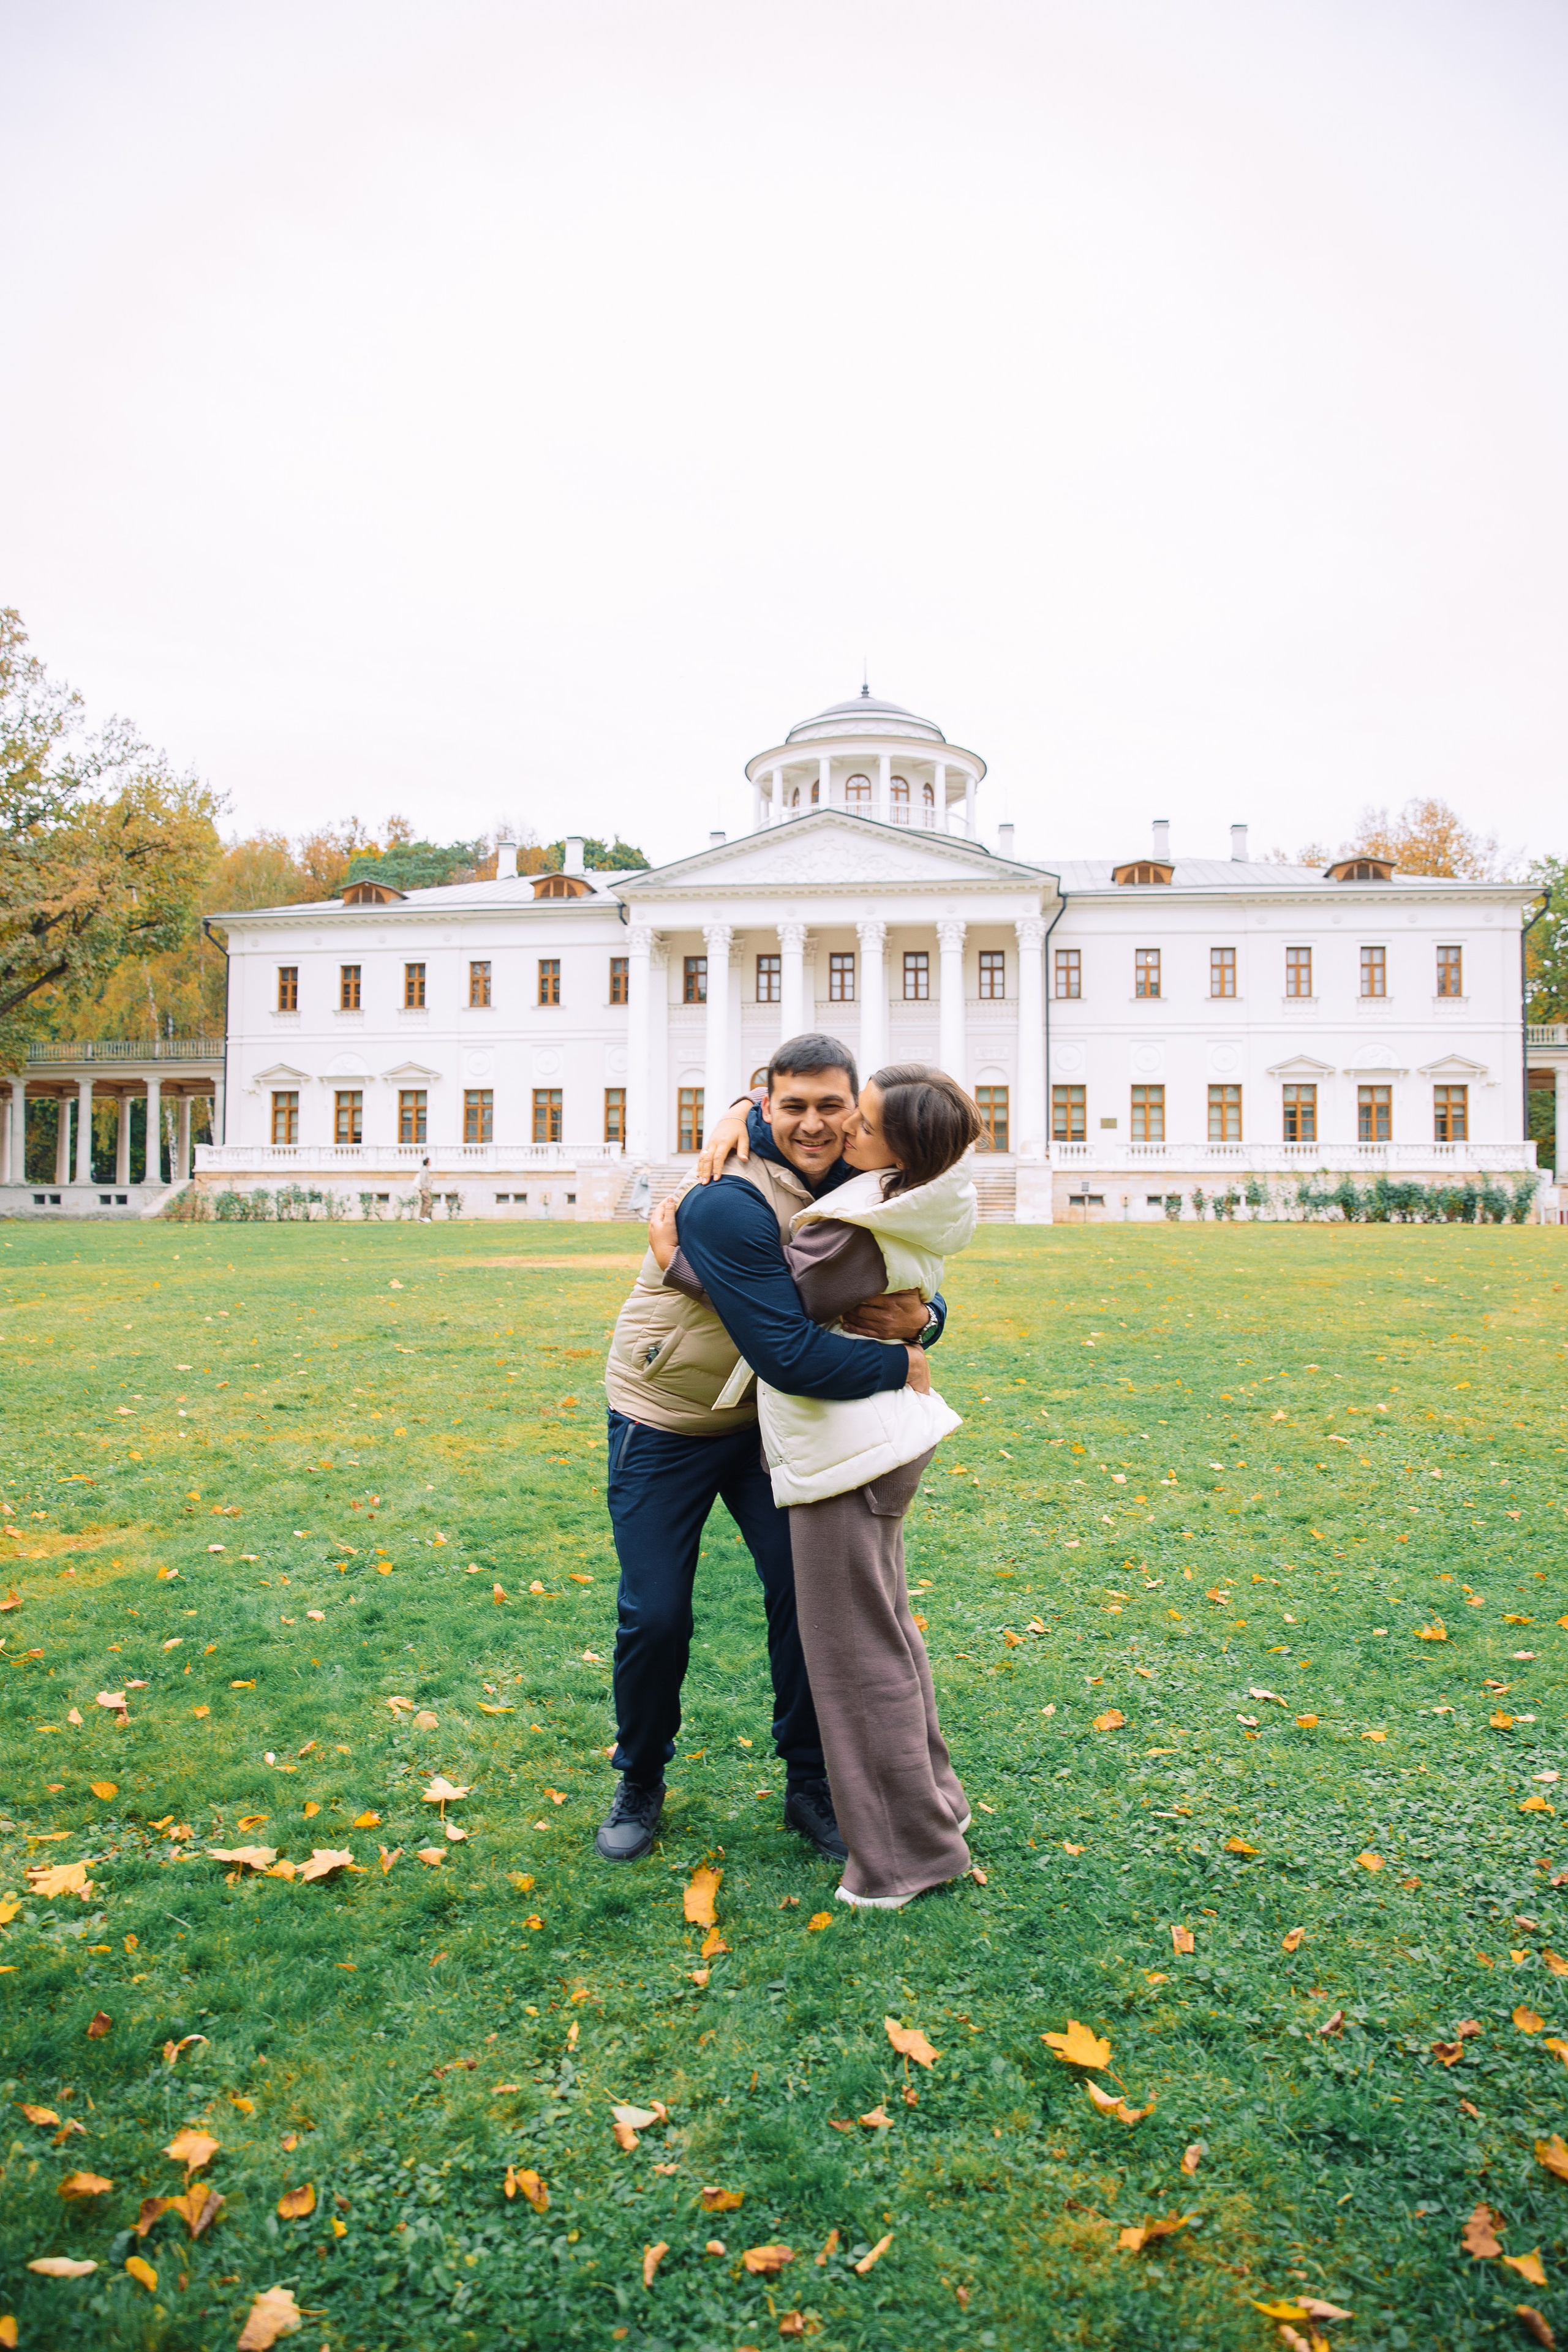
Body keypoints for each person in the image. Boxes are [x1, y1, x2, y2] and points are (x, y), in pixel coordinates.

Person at [595, 1036, 944, 1864]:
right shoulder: (723, 1197)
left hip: (768, 1421)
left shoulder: (865, 1182)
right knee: (657, 1614)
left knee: (807, 1602)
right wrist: (904, 1362)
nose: (815, 1124)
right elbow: (788, 1347)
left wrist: (923, 1320)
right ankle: (640, 1776)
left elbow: (898, 1271)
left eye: (833, 1107)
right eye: (793, 1106)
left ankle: (810, 1783)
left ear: (857, 1109)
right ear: (764, 1103)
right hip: (666, 1416)